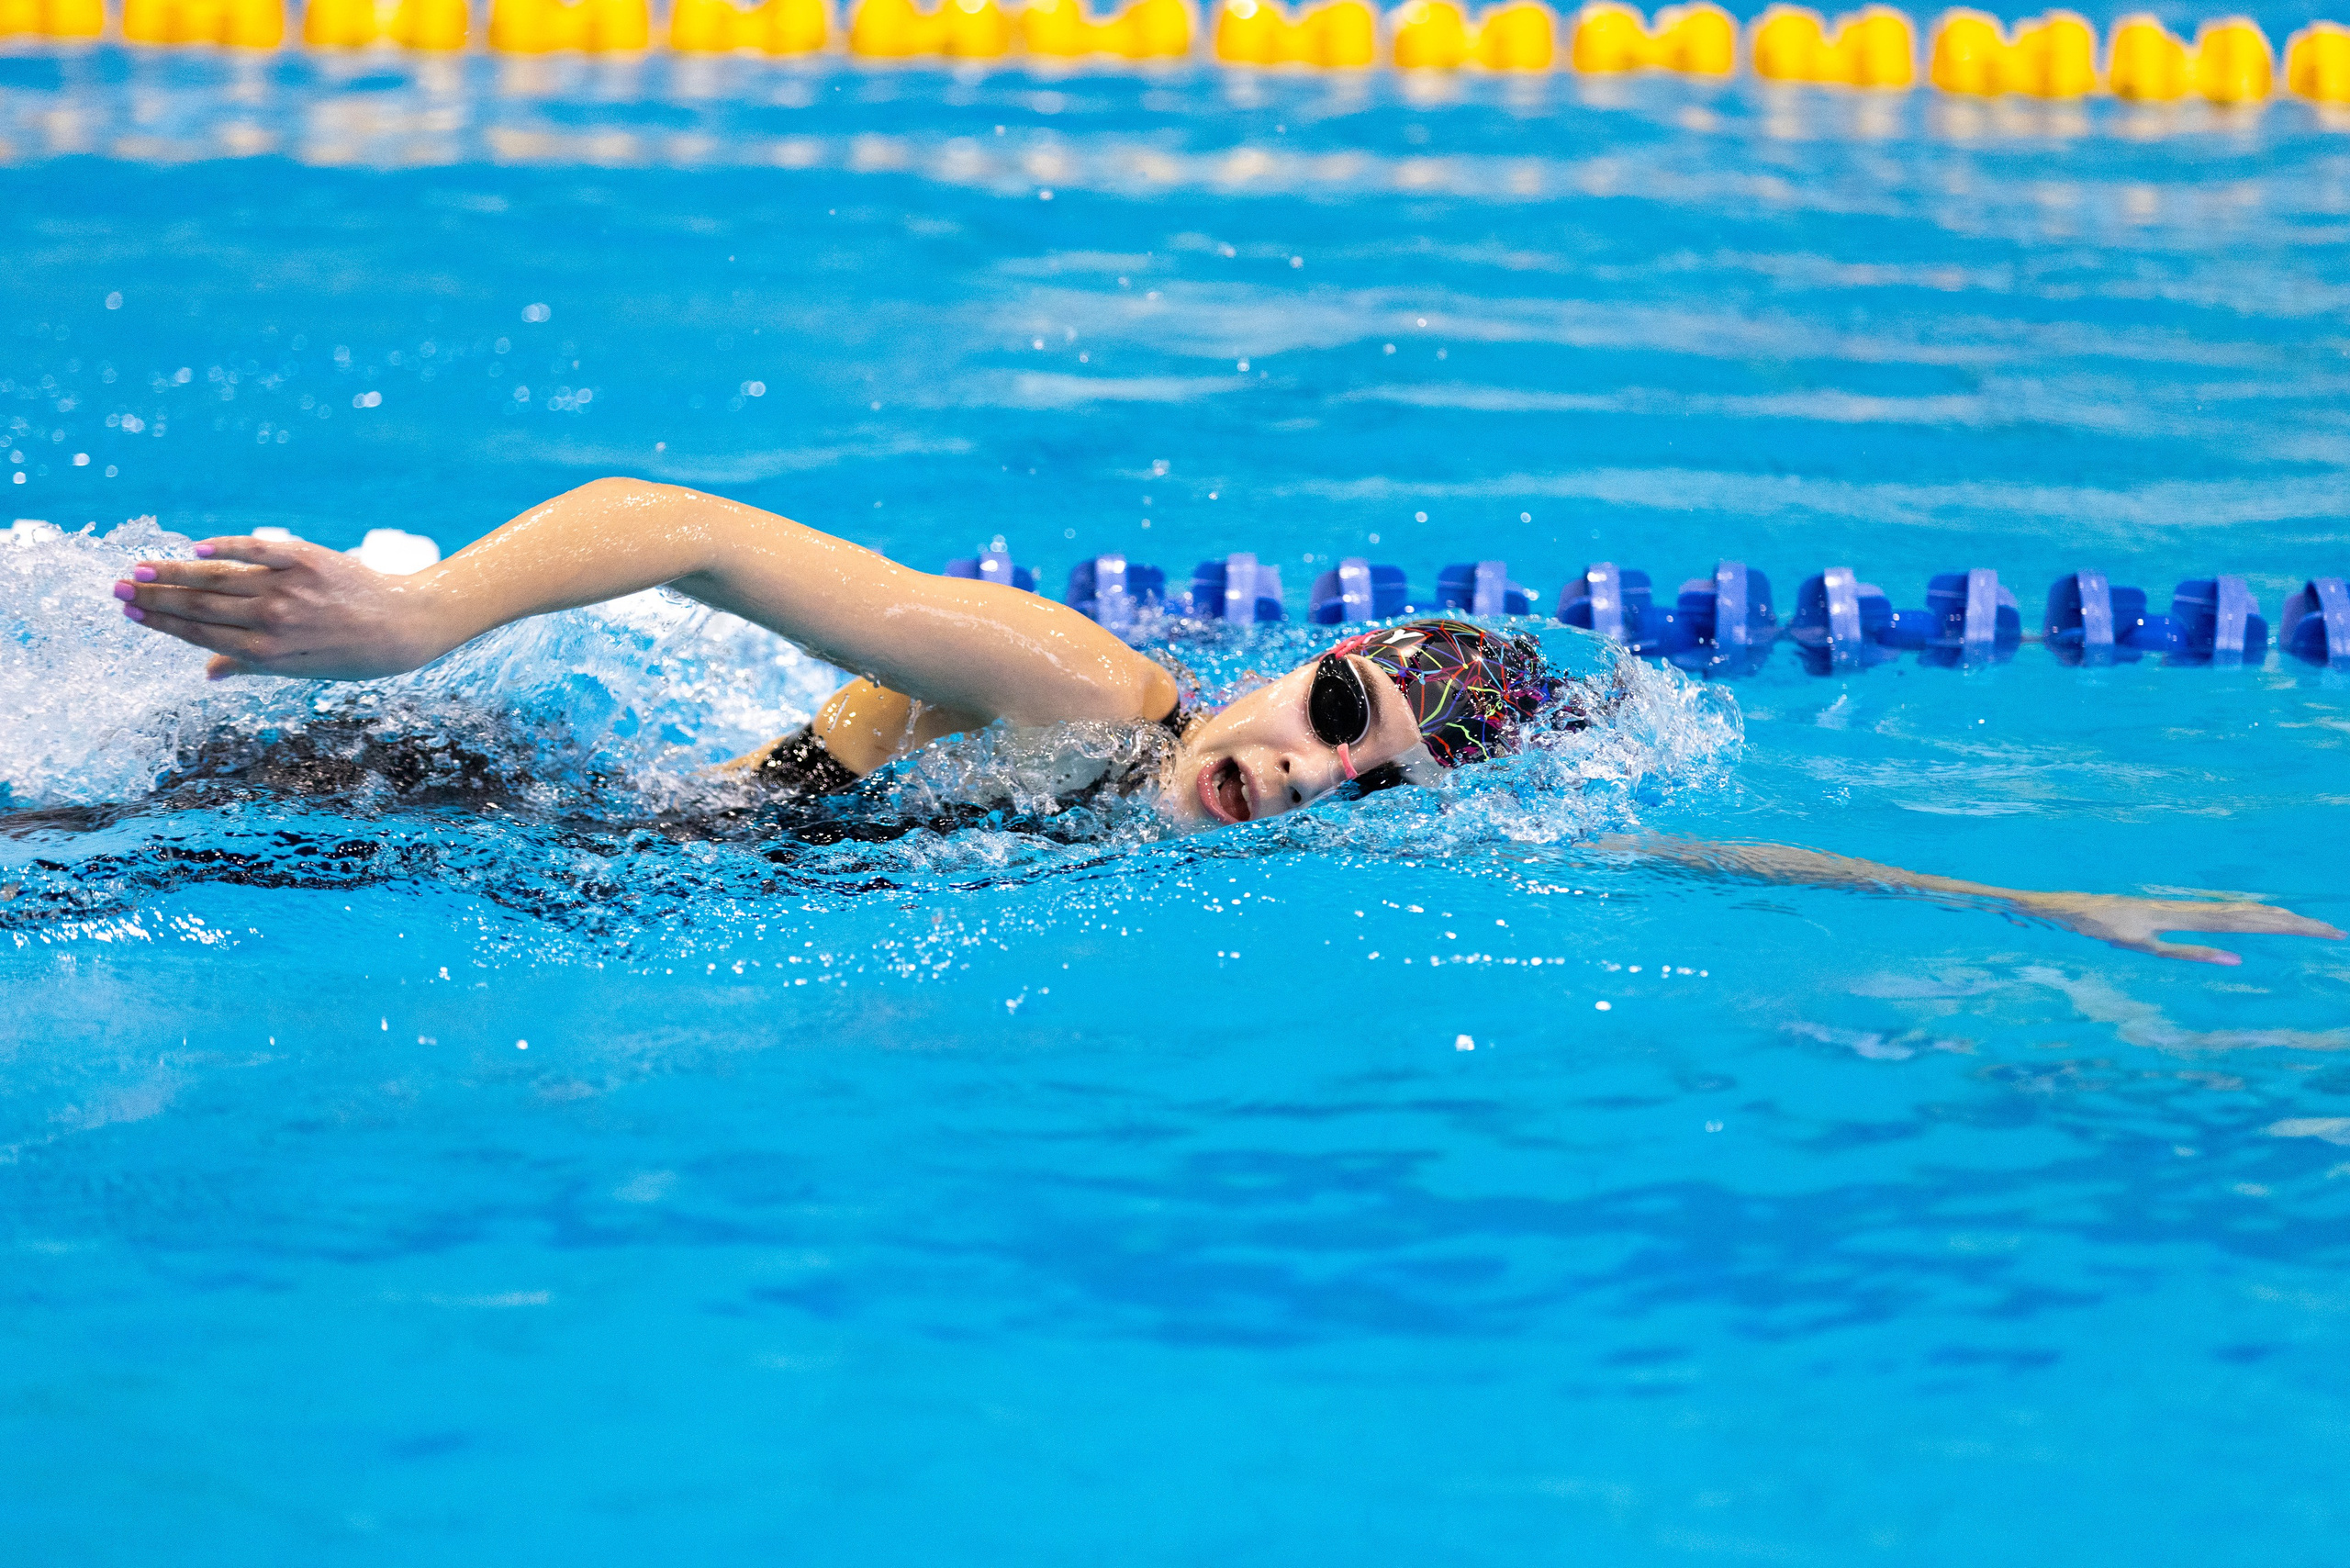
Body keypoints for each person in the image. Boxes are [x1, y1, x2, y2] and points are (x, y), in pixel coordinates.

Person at [108, 476, 2340, 966]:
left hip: (559, 879)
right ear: (1292, 655)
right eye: (1339, 704)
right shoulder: (1087, 690)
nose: (1314, 765)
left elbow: (1674, 857)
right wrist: (416, 622)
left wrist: (2039, 903)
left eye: (1374, 781)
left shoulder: (1274, 823)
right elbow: (679, 531)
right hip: (460, 798)